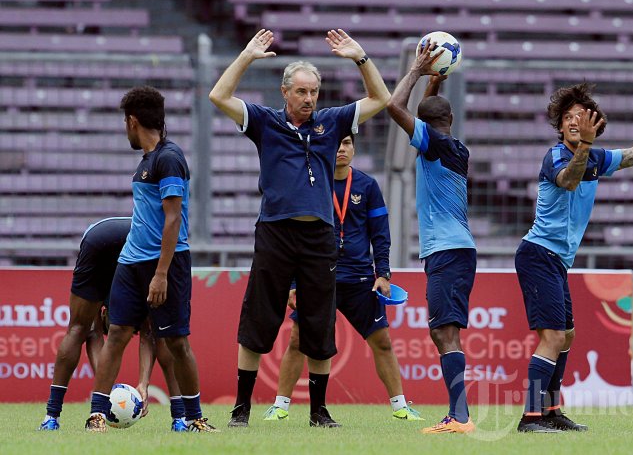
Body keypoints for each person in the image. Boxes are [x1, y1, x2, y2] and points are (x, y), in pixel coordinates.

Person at [209, 29, 390, 428]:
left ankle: (319, 412)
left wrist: (360, 58)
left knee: (319, 322)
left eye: (314, 92)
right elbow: (218, 96)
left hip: (319, 237)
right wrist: (246, 56)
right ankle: (241, 410)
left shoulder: (332, 121)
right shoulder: (264, 121)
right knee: (259, 319)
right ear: (285, 92)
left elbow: (381, 99)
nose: (309, 99)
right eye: (302, 92)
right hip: (275, 232)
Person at [514, 83, 633, 433]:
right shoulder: (556, 156)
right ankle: (530, 419)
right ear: (560, 125)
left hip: (556, 261)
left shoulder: (595, 157)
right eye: (567, 117)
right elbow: (569, 181)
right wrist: (584, 144)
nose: (573, 121)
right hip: (537, 255)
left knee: (566, 336)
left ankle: (551, 412)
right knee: (552, 338)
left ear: (594, 123)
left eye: (580, 116)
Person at [262, 135, 423, 423]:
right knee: (298, 340)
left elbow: (380, 234)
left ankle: (400, 407)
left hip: (360, 279)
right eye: (336, 143)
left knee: (382, 341)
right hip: (318, 277)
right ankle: (280, 406)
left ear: (354, 148)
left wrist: (383, 274)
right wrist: (294, 283)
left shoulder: (367, 186)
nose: (341, 149)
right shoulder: (311, 184)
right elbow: (296, 237)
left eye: (347, 142)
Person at [85, 86, 217, 433]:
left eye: (124, 122)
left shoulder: (169, 158)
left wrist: (160, 274)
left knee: (177, 342)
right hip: (131, 262)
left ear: (132, 121)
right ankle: (96, 414)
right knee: (117, 333)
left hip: (165, 264)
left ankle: (194, 418)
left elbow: (173, 219)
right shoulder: (147, 160)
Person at [386, 43, 477, 434]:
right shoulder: (452, 145)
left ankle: (460, 417)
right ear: (451, 118)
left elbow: (394, 106)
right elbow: (424, 114)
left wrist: (415, 71)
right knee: (443, 330)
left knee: (444, 332)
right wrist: (435, 82)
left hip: (448, 250)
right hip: (454, 249)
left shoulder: (434, 144)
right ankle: (458, 415)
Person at [38, 217, 186, 431]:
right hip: (140, 238)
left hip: (102, 237)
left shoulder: (110, 307)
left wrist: (122, 387)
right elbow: (148, 334)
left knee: (78, 328)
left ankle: (51, 418)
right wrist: (135, 384)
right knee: (162, 332)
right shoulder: (124, 302)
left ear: (104, 312)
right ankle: (179, 419)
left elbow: (95, 333)